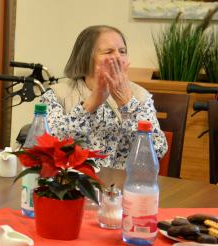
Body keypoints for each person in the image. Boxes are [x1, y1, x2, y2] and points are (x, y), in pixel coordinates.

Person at [42, 25, 167, 168]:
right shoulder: (57, 95)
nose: (118, 57)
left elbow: (157, 150)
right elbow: (48, 147)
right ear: (86, 58)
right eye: (108, 52)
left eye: (122, 51)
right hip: (73, 183)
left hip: (123, 185)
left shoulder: (140, 95)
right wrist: (89, 105)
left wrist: (126, 102)